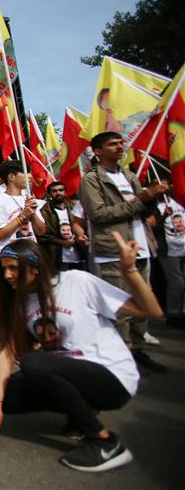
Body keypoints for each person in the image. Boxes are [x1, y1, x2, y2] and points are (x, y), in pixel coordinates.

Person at [0, 236, 163, 472]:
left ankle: (105, 442)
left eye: (13, 268)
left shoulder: (76, 281)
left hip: (112, 376)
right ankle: (80, 412)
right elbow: (7, 353)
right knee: (7, 394)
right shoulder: (21, 302)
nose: (7, 275)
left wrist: (129, 270)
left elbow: (151, 310)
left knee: (34, 363)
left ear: (35, 268)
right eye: (4, 269)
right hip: (71, 373)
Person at [78, 131, 168, 372]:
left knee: (142, 301)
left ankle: (138, 350)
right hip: (114, 251)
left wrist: (152, 198)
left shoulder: (130, 176)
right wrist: (140, 200)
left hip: (141, 248)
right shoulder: (92, 180)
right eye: (112, 144)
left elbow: (142, 211)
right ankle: (121, 356)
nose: (120, 147)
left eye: (121, 142)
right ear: (98, 151)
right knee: (121, 307)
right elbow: (98, 215)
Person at [0, 160, 46, 257]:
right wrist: (23, 216)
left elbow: (41, 231)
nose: (30, 176)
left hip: (32, 256)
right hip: (10, 259)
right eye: (25, 173)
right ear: (11, 177)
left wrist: (33, 215)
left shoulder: (29, 199)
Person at [151, 178, 185, 328]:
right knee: (177, 282)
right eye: (159, 185)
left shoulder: (179, 201)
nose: (163, 188)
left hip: (183, 246)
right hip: (168, 250)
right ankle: (173, 314)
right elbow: (150, 228)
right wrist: (163, 216)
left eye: (165, 184)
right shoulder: (154, 205)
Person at [39, 182, 86, 271]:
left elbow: (82, 227)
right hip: (58, 259)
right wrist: (62, 242)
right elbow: (43, 235)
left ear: (65, 192)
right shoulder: (45, 212)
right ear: (50, 194)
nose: (58, 193)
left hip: (79, 256)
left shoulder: (74, 209)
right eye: (54, 191)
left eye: (61, 190)